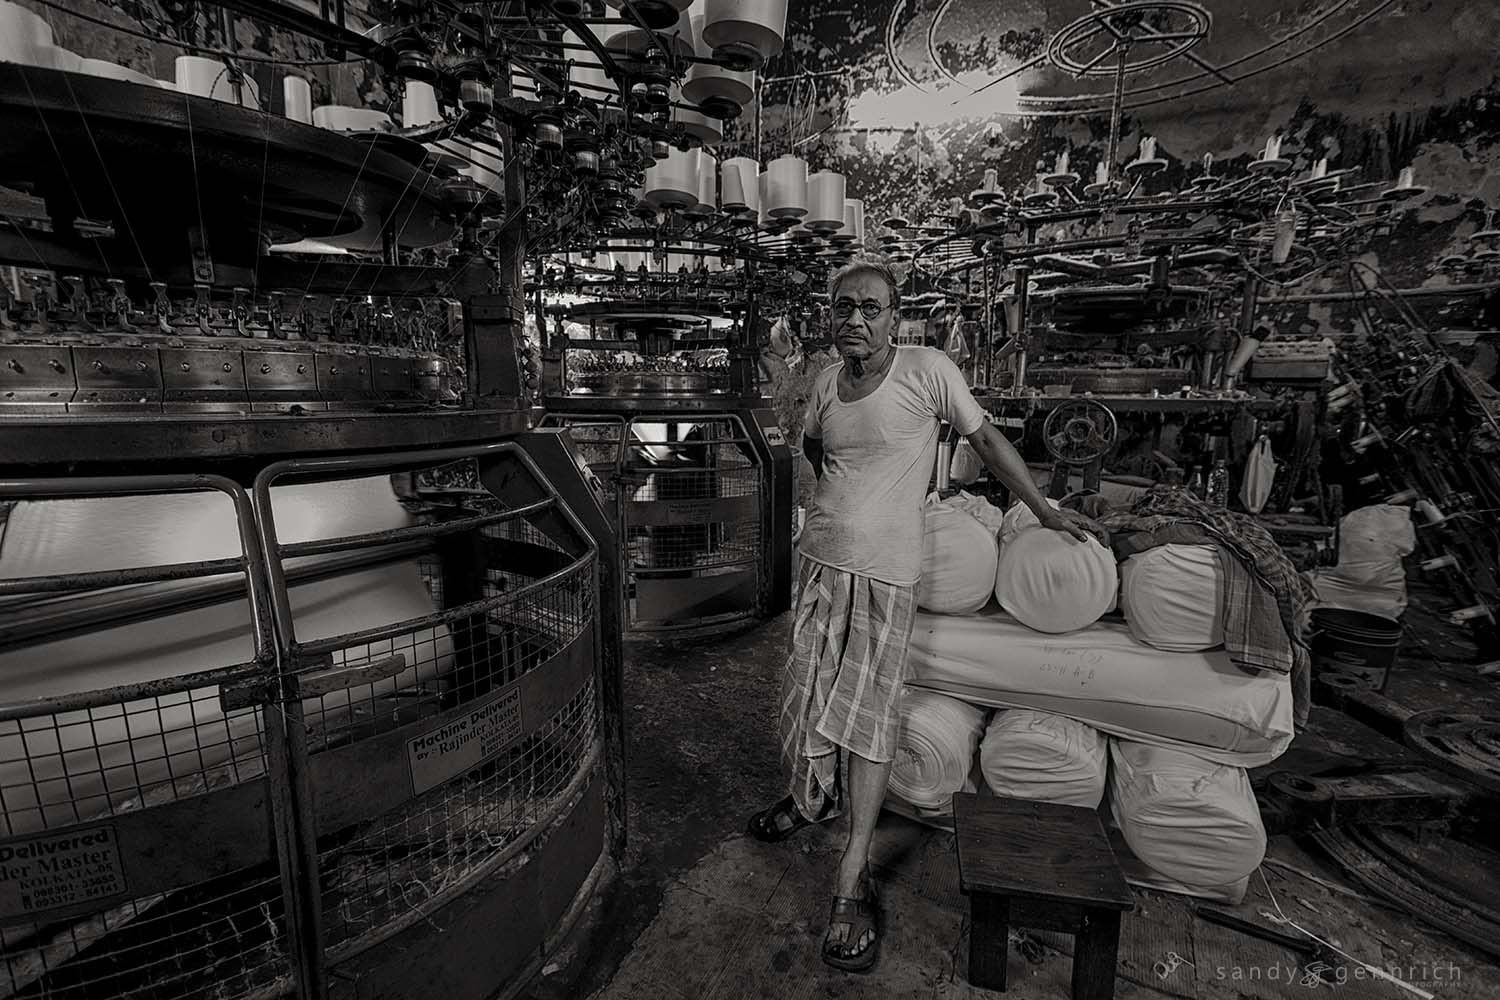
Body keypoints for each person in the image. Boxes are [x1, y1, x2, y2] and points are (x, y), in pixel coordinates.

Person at [746, 257, 1095, 973]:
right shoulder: (824, 382)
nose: (855, 320)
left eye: (870, 307)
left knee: (869, 721)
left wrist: (1043, 509)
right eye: (843, 307)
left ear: (894, 316)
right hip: (818, 564)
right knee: (809, 697)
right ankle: (807, 797)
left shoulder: (927, 369)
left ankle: (852, 879)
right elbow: (814, 447)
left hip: (884, 577)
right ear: (829, 315)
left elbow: (988, 443)